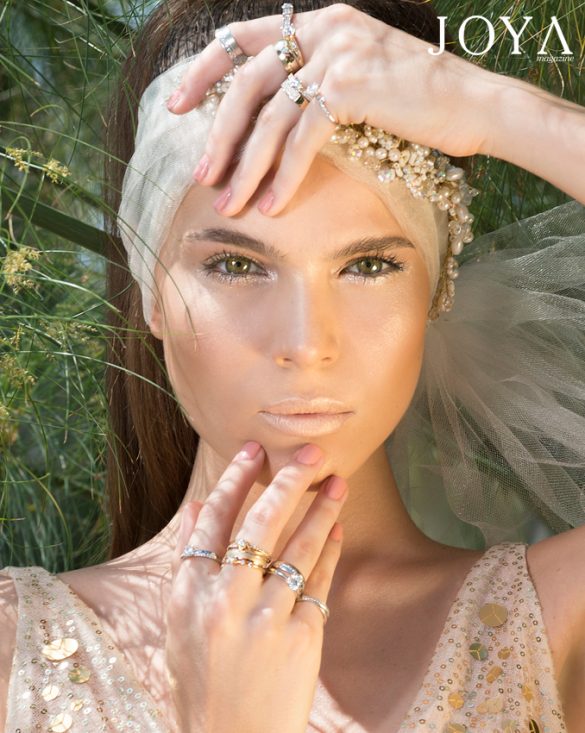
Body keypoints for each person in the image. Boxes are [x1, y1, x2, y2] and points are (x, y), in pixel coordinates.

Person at [1, 1, 585, 731]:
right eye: (236, 265)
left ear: (435, 290)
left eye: (368, 265)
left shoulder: (559, 622)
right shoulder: (13, 650)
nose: (307, 344)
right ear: (151, 291)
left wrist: (492, 107)